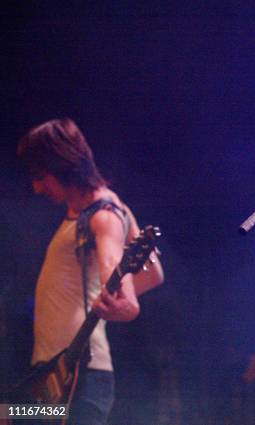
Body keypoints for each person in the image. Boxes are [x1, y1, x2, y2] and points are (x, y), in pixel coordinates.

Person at [17, 118, 164, 425]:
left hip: (80, 380)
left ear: (61, 167)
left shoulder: (105, 216)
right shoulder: (101, 209)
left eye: (41, 176)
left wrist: (124, 303)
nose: (37, 187)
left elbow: (123, 286)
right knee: (9, 416)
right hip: (51, 375)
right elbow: (153, 274)